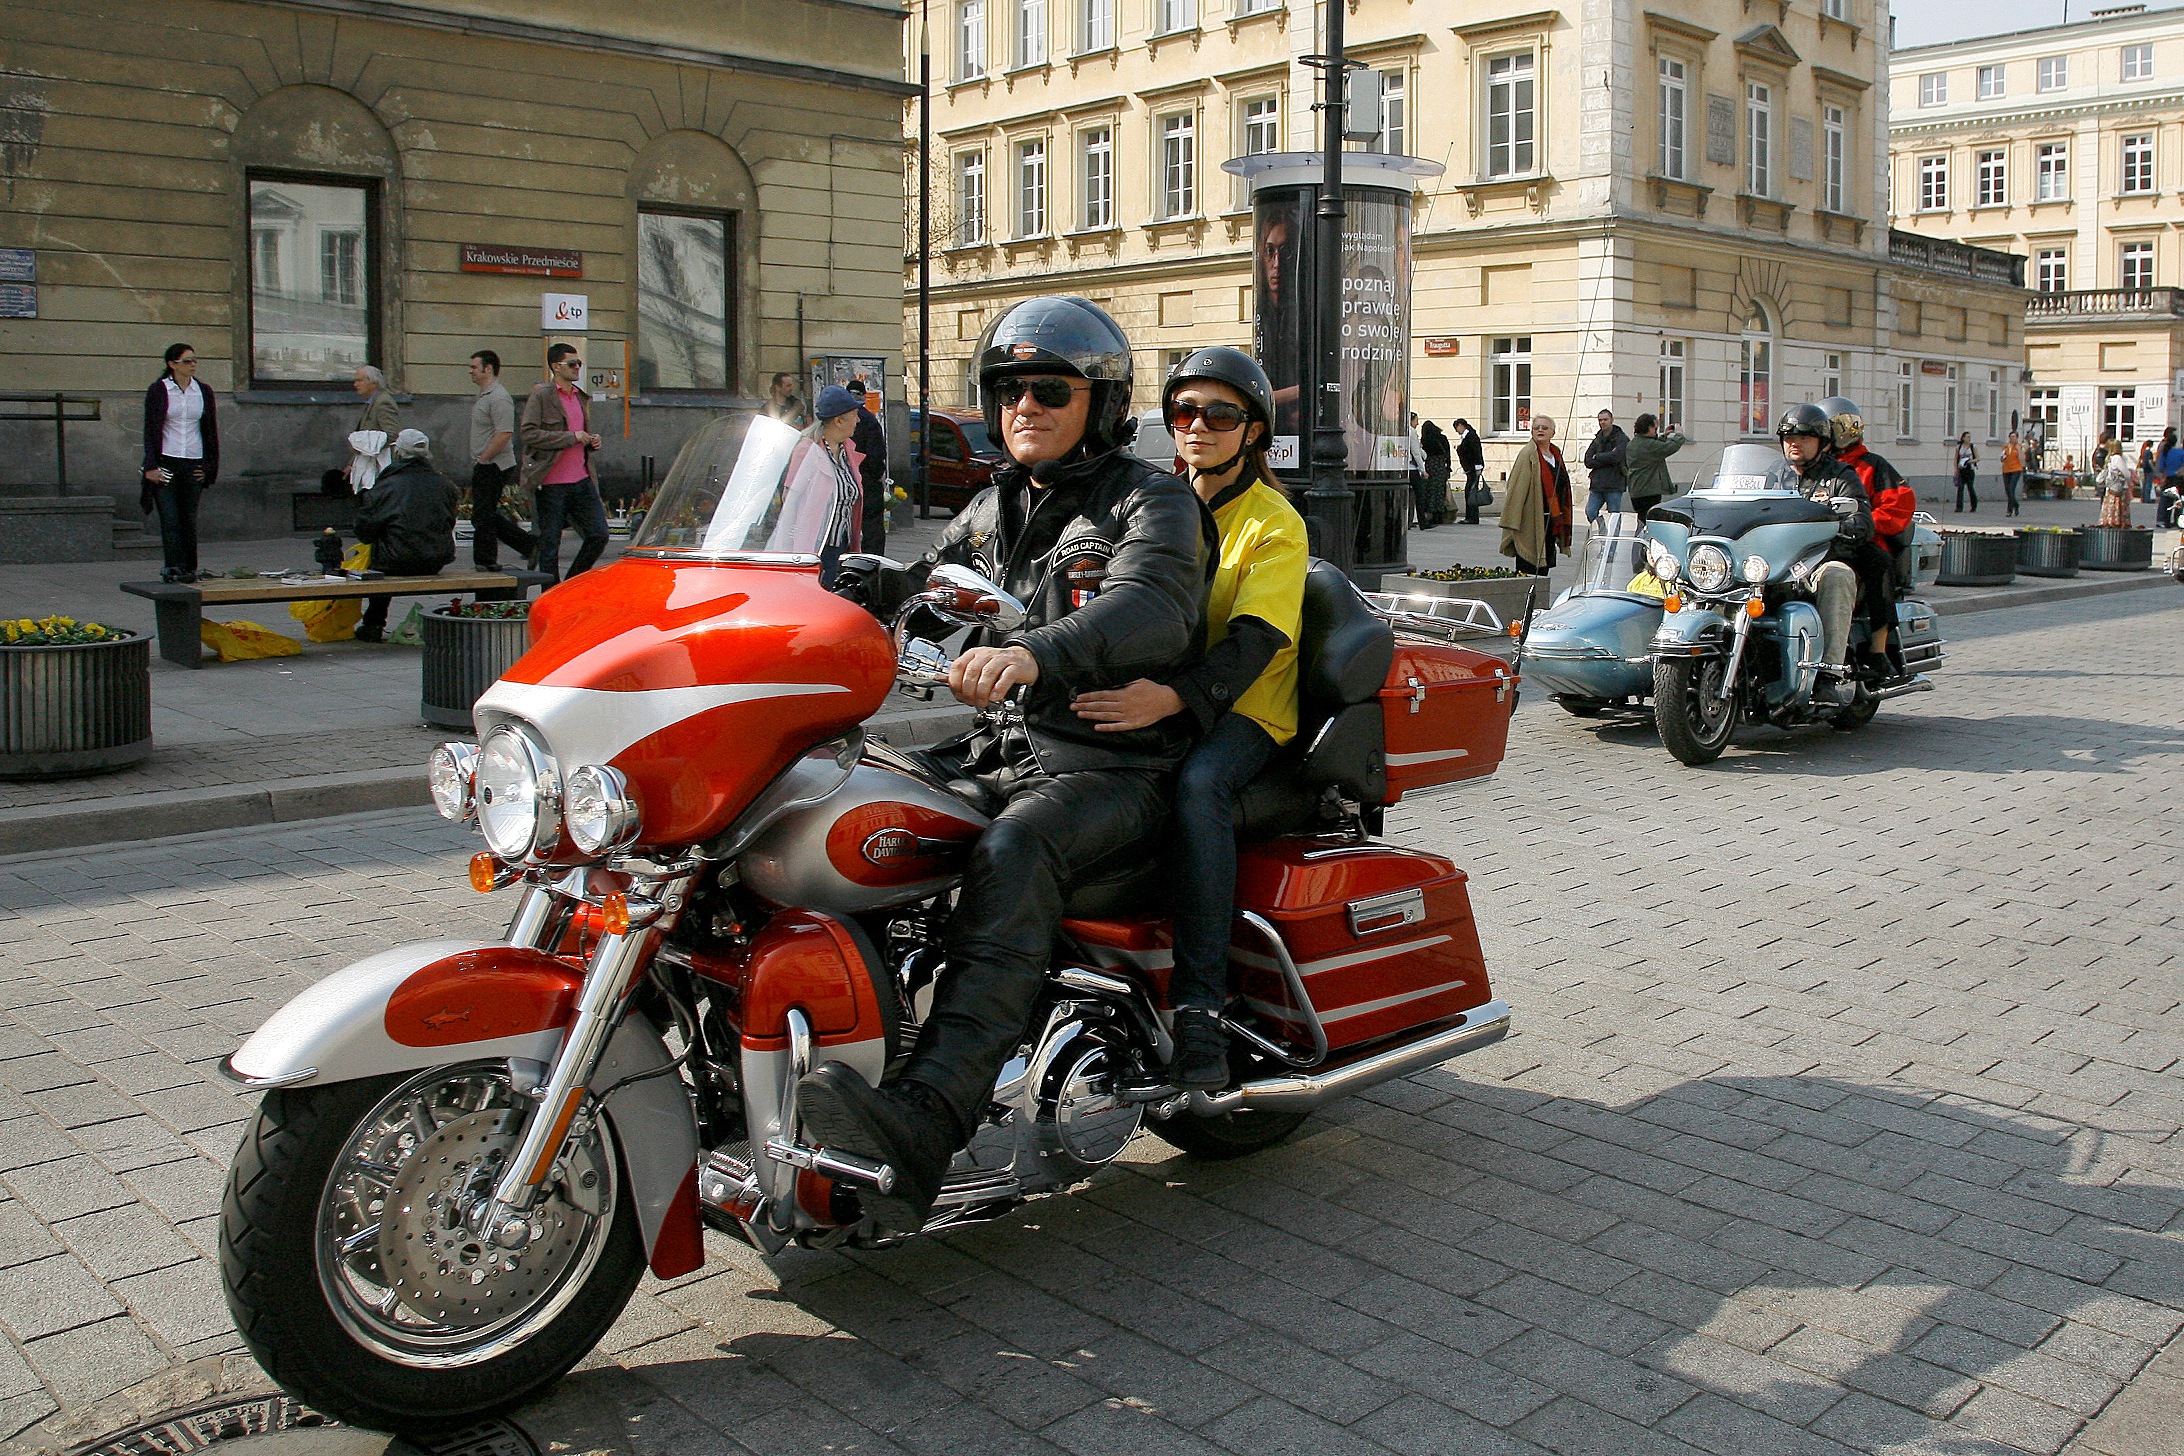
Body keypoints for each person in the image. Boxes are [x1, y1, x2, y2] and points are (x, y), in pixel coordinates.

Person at [795, 296, 1207, 1235]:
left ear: (1098, 401)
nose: (1026, 404)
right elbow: (927, 590)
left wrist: (1035, 654)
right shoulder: (989, 507)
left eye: (1050, 389)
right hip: (1003, 748)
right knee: (845, 808)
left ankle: (923, 1125)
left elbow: (1155, 608)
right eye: (1009, 388)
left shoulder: (1151, 499)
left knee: (1014, 853)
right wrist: (854, 589)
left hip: (1115, 764)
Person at [1070, 347, 1305, 1091]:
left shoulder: (1274, 523)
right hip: (1166, 688)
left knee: (1199, 785)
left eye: (1219, 413)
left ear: (1253, 431)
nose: (1197, 426)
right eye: (1183, 412)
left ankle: (1199, 1010)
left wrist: (1171, 700)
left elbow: (1256, 643)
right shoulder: (1160, 502)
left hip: (1246, 707)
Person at [1775, 403, 1872, 706]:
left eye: (1804, 437)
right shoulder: (1771, 476)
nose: (1795, 443)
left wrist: (1841, 525)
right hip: (1770, 564)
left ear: (1823, 443)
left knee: (1838, 575)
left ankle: (1828, 673)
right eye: (1789, 437)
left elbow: (1861, 519)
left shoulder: (1840, 476)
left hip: (1816, 563)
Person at [1819, 396, 1913, 680]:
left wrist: (1862, 523)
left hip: (1862, 540)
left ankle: (1878, 649)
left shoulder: (1872, 465)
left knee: (1879, 563)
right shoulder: (1812, 466)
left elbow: (1900, 505)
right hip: (1817, 540)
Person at [353, 430, 458, 642]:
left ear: (398, 452)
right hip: (435, 559)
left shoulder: (386, 486)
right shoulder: (445, 485)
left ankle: (373, 623)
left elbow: (364, 532)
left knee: (381, 556)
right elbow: (449, 522)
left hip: (394, 561)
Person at [521, 342, 609, 582]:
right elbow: (528, 434)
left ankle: (571, 583)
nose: (577, 368)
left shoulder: (580, 397)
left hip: (581, 480)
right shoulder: (542, 396)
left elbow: (580, 433)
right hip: (551, 483)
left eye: (579, 363)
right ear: (555, 367)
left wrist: (591, 441)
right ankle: (549, 596)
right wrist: (570, 437)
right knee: (550, 544)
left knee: (599, 534)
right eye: (572, 364)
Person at [140, 342, 218, 585]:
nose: (192, 364)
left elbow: (209, 431)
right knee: (170, 518)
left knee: (188, 518)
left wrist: (208, 467)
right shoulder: (160, 390)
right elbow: (151, 430)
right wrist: (151, 466)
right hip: (167, 462)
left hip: (193, 462)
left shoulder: (203, 391)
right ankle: (172, 566)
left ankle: (188, 568)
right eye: (187, 361)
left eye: (194, 360)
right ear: (172, 365)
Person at [465, 350, 537, 571]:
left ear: (489, 369)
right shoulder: (486, 394)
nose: (471, 371)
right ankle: (527, 545)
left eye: (475, 367)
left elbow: (504, 433)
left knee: (483, 514)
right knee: (483, 513)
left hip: (494, 463)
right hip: (487, 462)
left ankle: (487, 560)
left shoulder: (499, 397)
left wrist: (485, 458)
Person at [805, 385, 868, 586]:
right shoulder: (808, 451)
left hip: (843, 543)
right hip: (816, 548)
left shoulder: (847, 451)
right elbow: (791, 503)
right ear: (838, 421)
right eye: (854, 415)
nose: (858, 420)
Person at [1499, 414, 1571, 575]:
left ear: (1553, 432)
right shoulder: (1528, 454)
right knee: (1528, 566)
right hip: (1532, 518)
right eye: (1536, 428)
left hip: (1551, 519)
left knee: (1544, 566)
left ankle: (1539, 597)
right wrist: (1512, 520)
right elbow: (1515, 489)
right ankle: (1528, 598)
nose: (1540, 430)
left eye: (1544, 428)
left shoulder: (1555, 453)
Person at [847, 375, 889, 557]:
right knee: (872, 527)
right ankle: (872, 561)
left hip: (847, 479)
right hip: (867, 480)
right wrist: (875, 475)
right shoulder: (869, 421)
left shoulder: (842, 418)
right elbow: (877, 454)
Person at [1624, 413, 1686, 520]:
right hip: (1649, 491)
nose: (1656, 430)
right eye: (1655, 428)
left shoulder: (1633, 443)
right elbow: (1669, 447)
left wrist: (1664, 435)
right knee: (1650, 520)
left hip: (1636, 490)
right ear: (1648, 427)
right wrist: (1679, 435)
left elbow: (1654, 448)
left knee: (1642, 519)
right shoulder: (1648, 445)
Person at [1582, 408, 1629, 526]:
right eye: (1600, 420)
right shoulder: (1598, 439)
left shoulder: (1621, 438)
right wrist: (1605, 458)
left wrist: (1597, 457)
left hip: (1614, 483)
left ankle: (1612, 540)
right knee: (1590, 511)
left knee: (1614, 516)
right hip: (1597, 484)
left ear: (1612, 420)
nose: (1602, 422)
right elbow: (1587, 460)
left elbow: (1617, 457)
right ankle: (1602, 529)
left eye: (1605, 419)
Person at [1453, 417, 1486, 524]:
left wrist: (1478, 466)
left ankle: (1472, 517)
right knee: (1470, 491)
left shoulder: (1471, 436)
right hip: (1470, 468)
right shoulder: (1466, 436)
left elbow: (1476, 452)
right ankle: (1471, 516)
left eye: (1456, 428)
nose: (1456, 431)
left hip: (1474, 468)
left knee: (1470, 492)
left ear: (1461, 426)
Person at [1420, 417, 1452, 525]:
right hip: (1441, 466)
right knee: (1440, 490)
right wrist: (1448, 468)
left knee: (1431, 490)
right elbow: (1448, 454)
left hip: (1431, 466)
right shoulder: (1443, 438)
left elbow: (1423, 455)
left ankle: (1431, 514)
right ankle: (1440, 514)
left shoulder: (1426, 440)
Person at [352, 364, 399, 437]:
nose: (355, 384)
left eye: (360, 381)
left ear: (374, 383)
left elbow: (392, 434)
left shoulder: (383, 402)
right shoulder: (372, 401)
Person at [1406, 412, 1433, 530]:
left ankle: (1408, 520)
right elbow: (1416, 452)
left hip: (1404, 467)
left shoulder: (1403, 430)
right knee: (1420, 495)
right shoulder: (1411, 432)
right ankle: (1423, 521)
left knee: (1408, 497)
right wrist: (1423, 470)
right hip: (1412, 468)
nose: (1417, 423)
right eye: (1416, 420)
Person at [2097, 450, 2136, 527]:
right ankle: (2118, 522)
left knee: (2110, 508)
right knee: (2119, 507)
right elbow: (2127, 474)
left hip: (2110, 488)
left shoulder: (2109, 459)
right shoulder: (2117, 458)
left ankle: (2109, 521)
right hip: (2119, 488)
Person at [2000, 431, 2025, 517]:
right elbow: (2002, 458)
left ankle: (2009, 510)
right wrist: (2003, 457)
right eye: (2010, 437)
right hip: (2006, 470)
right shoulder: (2006, 446)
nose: (2012, 438)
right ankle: (2016, 505)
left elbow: (2022, 459)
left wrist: (2019, 450)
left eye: (2014, 437)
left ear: (2017, 438)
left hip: (2016, 469)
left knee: (2011, 489)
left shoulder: (2020, 446)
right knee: (2007, 491)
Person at [1954, 433, 1979, 512]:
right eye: (1967, 437)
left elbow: (1978, 458)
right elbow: (1956, 458)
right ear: (1963, 438)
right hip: (1961, 469)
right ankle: (1959, 507)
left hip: (1970, 469)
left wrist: (1970, 461)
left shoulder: (1972, 447)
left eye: (1969, 437)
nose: (1969, 438)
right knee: (1960, 488)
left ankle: (1974, 505)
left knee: (1970, 488)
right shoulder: (1959, 447)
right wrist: (1956, 469)